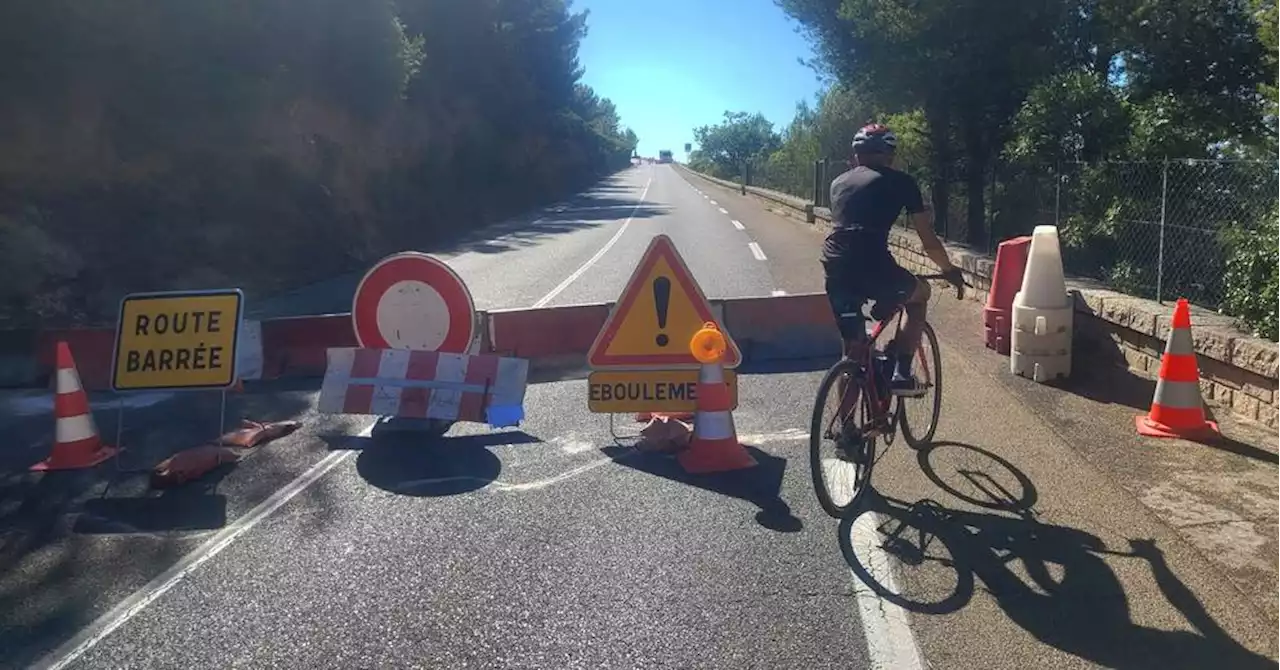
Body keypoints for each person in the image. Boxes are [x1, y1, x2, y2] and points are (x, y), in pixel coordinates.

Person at [822, 123, 963, 401]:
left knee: (852, 352)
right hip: (874, 265)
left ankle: (846, 435)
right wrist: (949, 270)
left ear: (856, 155)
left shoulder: (837, 183)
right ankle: (901, 372)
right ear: (890, 154)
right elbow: (928, 240)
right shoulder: (902, 182)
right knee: (921, 293)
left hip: (835, 265)